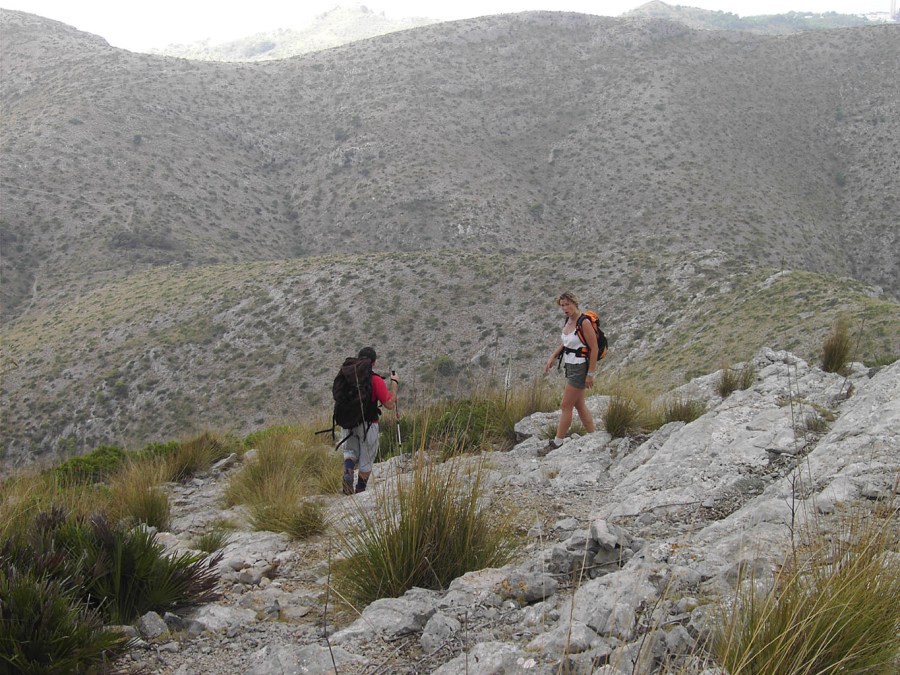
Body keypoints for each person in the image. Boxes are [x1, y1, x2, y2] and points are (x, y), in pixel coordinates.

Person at [540, 291, 598, 456]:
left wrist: (590, 374)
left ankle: (558, 442)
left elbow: (594, 348)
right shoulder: (569, 320)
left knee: (566, 406)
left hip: (580, 368)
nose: (565, 308)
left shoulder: (583, 322)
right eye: (562, 305)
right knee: (579, 405)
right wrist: (553, 356)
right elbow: (566, 343)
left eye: (567, 304)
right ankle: (594, 436)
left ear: (575, 303)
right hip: (570, 366)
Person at [341, 346, 398, 495]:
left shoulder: (348, 377)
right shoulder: (375, 380)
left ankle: (348, 473)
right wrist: (394, 384)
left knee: (350, 452)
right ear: (374, 363)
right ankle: (360, 491)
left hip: (348, 423)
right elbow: (389, 404)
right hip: (369, 425)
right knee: (366, 459)